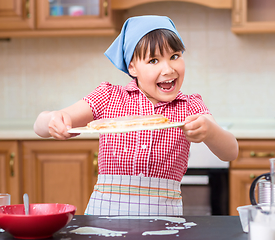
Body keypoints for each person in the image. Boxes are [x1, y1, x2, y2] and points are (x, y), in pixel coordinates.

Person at [34, 15, 238, 215]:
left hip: (163, 221)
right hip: (105, 218)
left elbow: (231, 152)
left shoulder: (191, 105)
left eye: (175, 56)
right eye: (153, 60)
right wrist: (52, 120)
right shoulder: (109, 97)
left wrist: (210, 131)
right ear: (132, 66)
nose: (168, 69)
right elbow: (41, 126)